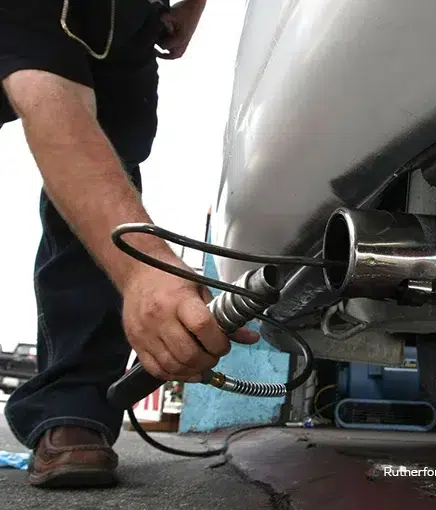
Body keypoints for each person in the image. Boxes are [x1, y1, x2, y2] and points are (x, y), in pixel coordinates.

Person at [0, 0, 259, 488]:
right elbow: (51, 97)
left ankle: (73, 407)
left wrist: (192, 8)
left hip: (129, 20)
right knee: (89, 176)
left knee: (107, 184)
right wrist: (143, 271)